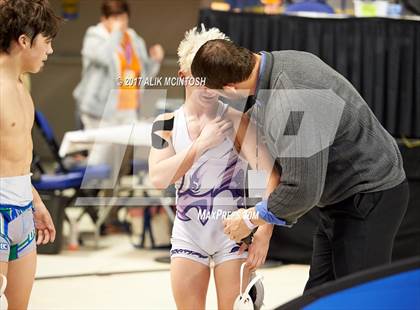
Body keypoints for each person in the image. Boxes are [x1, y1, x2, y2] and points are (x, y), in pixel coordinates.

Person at [191, 39, 409, 291]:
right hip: (341, 197)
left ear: (229, 88)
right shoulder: (281, 62)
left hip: (369, 195)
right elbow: (275, 119)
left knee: (359, 297)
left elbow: (301, 189)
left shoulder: (290, 103)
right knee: (318, 296)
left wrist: (250, 219)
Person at [148, 27, 279, 309]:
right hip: (188, 232)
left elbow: (270, 177)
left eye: (215, 80)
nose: (208, 88)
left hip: (232, 234)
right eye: (200, 79)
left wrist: (263, 233)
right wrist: (200, 145)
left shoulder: (238, 122)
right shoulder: (166, 124)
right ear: (184, 76)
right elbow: (158, 178)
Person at [0, 0, 59, 308]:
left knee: (19, 304)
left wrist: (35, 201)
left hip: (22, 207)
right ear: (24, 40)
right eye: (46, 41)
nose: (49, 51)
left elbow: (17, 159)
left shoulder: (22, 87)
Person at [73, 0, 164, 166]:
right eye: (115, 19)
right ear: (104, 19)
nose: (120, 24)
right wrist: (115, 34)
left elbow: (142, 75)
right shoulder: (95, 35)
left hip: (128, 109)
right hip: (100, 110)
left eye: (123, 19)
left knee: (120, 161)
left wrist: (155, 61)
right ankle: (92, 192)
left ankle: (110, 192)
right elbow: (103, 58)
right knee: (100, 161)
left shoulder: (133, 38)